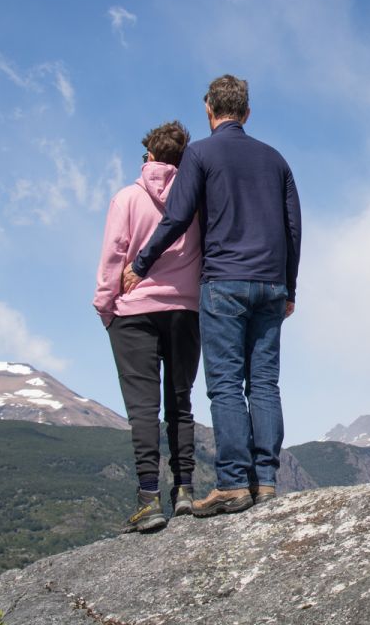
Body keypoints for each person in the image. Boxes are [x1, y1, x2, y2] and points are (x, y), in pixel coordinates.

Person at [123, 74, 302, 517]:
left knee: (225, 384)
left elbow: (177, 217)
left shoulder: (199, 154)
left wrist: (140, 264)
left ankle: (232, 484)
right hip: (271, 284)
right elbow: (293, 227)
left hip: (223, 281)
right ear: (246, 111)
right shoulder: (276, 160)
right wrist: (289, 288)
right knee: (263, 382)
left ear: (209, 110)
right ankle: (265, 481)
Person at [93, 121, 201, 532]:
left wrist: (107, 308)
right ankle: (186, 492)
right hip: (184, 312)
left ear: (150, 157)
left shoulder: (126, 198)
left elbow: (112, 257)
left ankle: (149, 500)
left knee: (143, 409)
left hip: (133, 313)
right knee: (181, 403)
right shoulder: (197, 200)